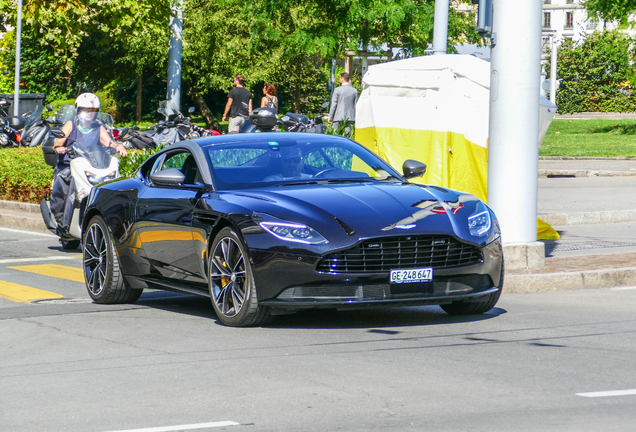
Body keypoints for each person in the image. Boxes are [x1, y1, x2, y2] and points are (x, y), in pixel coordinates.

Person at [50, 92, 127, 236]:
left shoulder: (98, 127)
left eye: (92, 111)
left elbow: (109, 142)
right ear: (77, 111)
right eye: (85, 110)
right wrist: (60, 148)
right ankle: (62, 220)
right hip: (70, 164)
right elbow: (59, 142)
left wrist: (118, 147)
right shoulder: (71, 125)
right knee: (63, 179)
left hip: (92, 164)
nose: (89, 114)